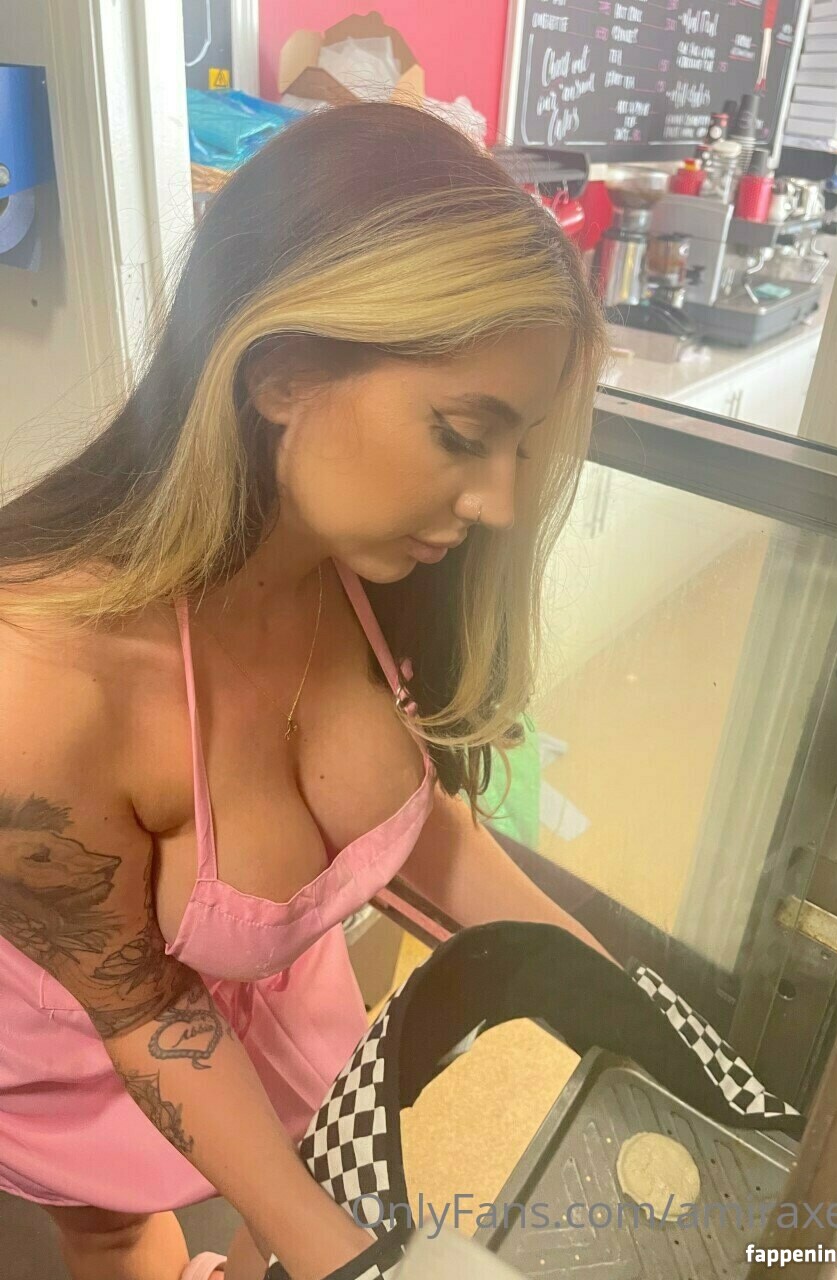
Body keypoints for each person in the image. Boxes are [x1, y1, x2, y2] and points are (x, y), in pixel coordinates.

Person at [0, 101, 611, 1280]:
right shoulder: (37, 684)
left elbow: (429, 830)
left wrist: (631, 1008)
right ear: (282, 373)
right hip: (83, 998)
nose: (501, 501)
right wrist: (347, 1260)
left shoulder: (367, 569)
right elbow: (141, 1012)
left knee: (303, 1175)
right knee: (112, 1220)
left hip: (237, 990)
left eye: (521, 444)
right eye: (462, 432)